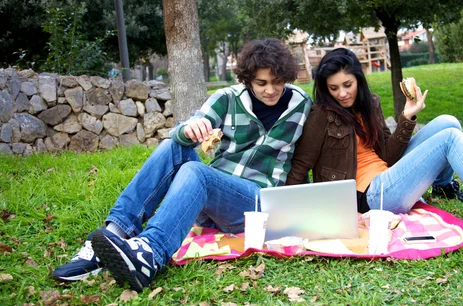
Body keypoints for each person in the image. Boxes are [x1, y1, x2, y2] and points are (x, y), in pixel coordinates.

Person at [52, 39, 313, 291]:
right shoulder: (226, 98)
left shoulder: (301, 103)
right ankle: (114, 234)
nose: (270, 90)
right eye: (261, 83)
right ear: (247, 80)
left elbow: (313, 151)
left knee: (197, 172)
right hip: (211, 201)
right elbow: (182, 131)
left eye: (277, 82)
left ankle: (150, 254)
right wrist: (189, 130)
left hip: (257, 204)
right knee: (173, 147)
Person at [286, 48, 463, 239]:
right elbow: (301, 164)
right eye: (333, 88)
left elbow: (387, 153)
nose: (342, 94)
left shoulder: (369, 103)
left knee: (448, 121)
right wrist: (289, 213)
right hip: (371, 196)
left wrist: (407, 117)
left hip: (389, 174)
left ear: (358, 80)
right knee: (449, 140)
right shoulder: (322, 115)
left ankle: (444, 187)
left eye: (347, 85)